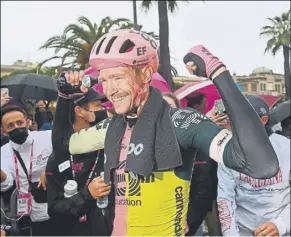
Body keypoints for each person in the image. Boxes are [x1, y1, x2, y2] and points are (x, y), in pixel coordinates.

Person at [61, 30, 278, 236]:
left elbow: (261, 165)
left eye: (118, 78)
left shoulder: (180, 123)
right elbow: (64, 144)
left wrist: (218, 72)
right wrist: (64, 97)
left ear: (145, 74)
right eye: (104, 80)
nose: (109, 90)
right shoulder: (114, 127)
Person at [216, 95, 290, 236]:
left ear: (263, 120)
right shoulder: (228, 151)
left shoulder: (286, 148)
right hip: (242, 231)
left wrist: (280, 225)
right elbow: (225, 199)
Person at [46, 87, 112, 236]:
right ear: (80, 111)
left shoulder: (109, 142)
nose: (103, 110)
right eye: (98, 106)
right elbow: (55, 211)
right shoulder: (58, 157)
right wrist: (87, 195)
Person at [0, 105, 53, 236]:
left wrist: (50, 169)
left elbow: (66, 157)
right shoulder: (4, 152)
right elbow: (7, 183)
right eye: (10, 125)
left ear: (27, 122)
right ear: (4, 131)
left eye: (19, 123)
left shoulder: (47, 137)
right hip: (28, 216)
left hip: (56, 208)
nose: (16, 127)